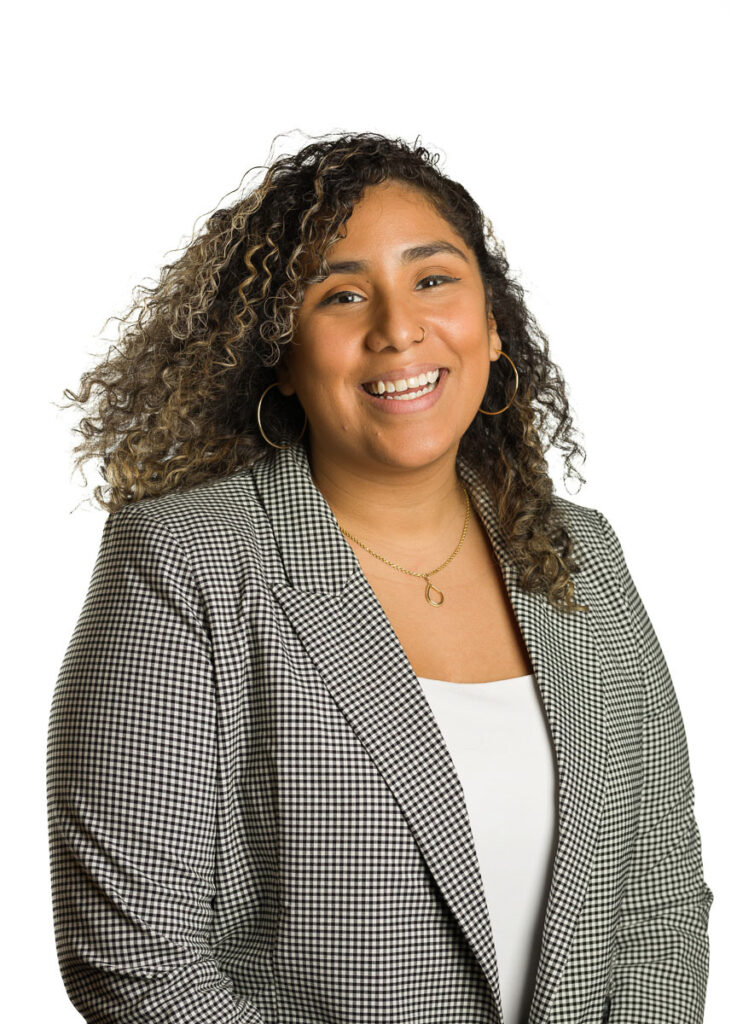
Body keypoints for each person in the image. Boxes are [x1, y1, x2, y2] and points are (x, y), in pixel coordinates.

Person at [46, 131, 713, 1024]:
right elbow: (132, 956)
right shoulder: (187, 558)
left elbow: (658, 901)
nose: (398, 328)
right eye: (342, 293)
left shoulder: (578, 552)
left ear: (491, 320)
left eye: (433, 279)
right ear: (278, 352)